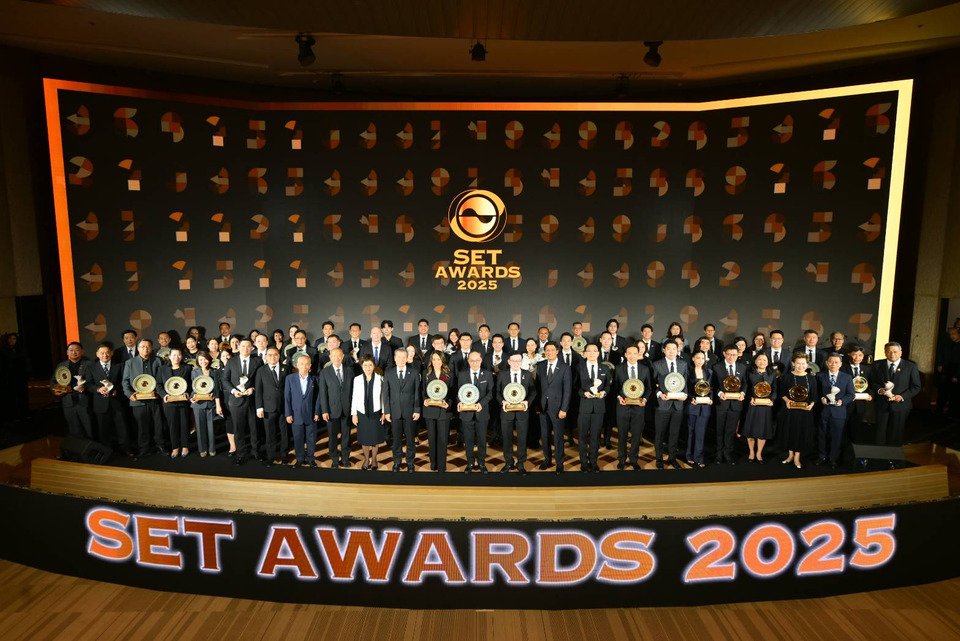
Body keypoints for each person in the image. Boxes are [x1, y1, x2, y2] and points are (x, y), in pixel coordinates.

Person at [869, 341, 921, 467]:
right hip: (882, 404)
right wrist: (879, 390)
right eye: (889, 351)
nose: (892, 354)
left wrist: (902, 396)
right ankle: (878, 458)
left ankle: (894, 459)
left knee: (896, 432)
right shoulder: (877, 365)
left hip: (901, 405)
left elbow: (916, 387)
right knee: (880, 432)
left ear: (900, 353)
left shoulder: (910, 366)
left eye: (895, 352)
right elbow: (872, 382)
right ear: (885, 352)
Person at [121, 338, 165, 457]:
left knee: (158, 424)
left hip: (155, 398)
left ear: (151, 348)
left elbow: (162, 378)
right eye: (143, 346)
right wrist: (130, 394)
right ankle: (144, 448)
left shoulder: (158, 360)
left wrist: (159, 392)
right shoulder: (130, 362)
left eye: (148, 346)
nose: (145, 349)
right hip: (138, 400)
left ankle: (160, 445)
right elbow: (125, 381)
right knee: (141, 425)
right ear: (138, 348)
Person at [223, 338, 262, 465]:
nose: (245, 348)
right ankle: (241, 454)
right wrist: (233, 391)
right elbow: (225, 379)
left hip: (252, 400)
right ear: (239, 347)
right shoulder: (231, 361)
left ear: (252, 348)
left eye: (248, 346)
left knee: (254, 428)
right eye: (243, 346)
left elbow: (259, 379)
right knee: (238, 429)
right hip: (236, 400)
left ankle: (255, 452)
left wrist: (253, 388)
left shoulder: (257, 361)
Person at [497, 352, 537, 475]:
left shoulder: (527, 374)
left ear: (522, 362)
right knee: (507, 438)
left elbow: (533, 391)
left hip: (522, 412)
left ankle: (521, 463)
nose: (516, 363)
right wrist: (502, 402)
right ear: (509, 362)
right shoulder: (502, 375)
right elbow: (497, 392)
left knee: (522, 438)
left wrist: (527, 402)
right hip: (506, 411)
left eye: (518, 360)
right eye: (513, 361)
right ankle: (508, 462)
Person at [383, 348, 422, 472]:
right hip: (394, 411)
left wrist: (417, 409)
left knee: (410, 439)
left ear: (407, 358)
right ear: (395, 359)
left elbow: (417, 393)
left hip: (410, 411)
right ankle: (397, 461)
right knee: (396, 440)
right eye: (398, 357)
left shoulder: (414, 372)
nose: (401, 359)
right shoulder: (388, 373)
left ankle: (410, 462)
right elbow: (386, 394)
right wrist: (387, 411)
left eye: (403, 357)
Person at [614, 344, 652, 470]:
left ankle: (634, 459)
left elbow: (649, 388)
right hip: (623, 406)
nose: (632, 356)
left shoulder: (645, 369)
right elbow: (615, 387)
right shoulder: (619, 368)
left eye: (634, 353)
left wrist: (644, 399)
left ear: (638, 355)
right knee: (622, 434)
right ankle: (622, 459)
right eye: (629, 353)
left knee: (636, 434)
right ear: (625, 355)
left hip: (638, 406)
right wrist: (619, 397)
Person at [90, 343, 132, 455]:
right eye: (102, 353)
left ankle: (126, 448)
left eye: (107, 352)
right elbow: (88, 384)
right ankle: (105, 451)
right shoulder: (92, 367)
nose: (105, 355)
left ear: (112, 353)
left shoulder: (119, 366)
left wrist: (116, 390)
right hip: (100, 403)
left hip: (116, 401)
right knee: (103, 428)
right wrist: (98, 389)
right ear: (97, 354)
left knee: (122, 426)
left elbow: (124, 382)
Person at [652, 340, 688, 469]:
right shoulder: (657, 365)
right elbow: (652, 384)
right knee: (660, 434)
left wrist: (685, 395)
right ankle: (659, 459)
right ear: (664, 350)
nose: (671, 351)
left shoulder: (683, 364)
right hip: (663, 404)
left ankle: (672, 458)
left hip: (678, 405)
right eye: (668, 349)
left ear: (678, 350)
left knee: (674, 433)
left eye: (674, 349)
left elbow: (685, 382)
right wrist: (659, 394)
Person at [779, 353, 819, 469]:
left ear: (807, 364)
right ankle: (790, 455)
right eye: (798, 363)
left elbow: (814, 395)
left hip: (804, 411)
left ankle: (797, 457)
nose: (801, 366)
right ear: (793, 363)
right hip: (790, 410)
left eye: (803, 363)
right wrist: (787, 401)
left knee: (800, 433)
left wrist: (811, 405)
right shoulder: (787, 377)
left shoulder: (811, 378)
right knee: (790, 431)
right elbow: (782, 392)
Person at [537, 341, 572, 473]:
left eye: (552, 350)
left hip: (558, 408)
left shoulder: (565, 367)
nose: (550, 352)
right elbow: (538, 387)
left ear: (557, 351)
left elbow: (567, 391)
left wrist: (564, 409)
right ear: (545, 352)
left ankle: (559, 462)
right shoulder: (541, 365)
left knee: (558, 437)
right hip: (543, 407)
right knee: (545, 436)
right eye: (547, 350)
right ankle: (547, 460)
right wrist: (537, 406)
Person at [317, 347, 354, 468]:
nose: (336, 358)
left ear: (343, 357)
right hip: (331, 410)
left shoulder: (350, 371)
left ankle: (345, 457)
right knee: (332, 436)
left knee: (346, 436)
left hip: (347, 409)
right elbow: (323, 393)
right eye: (334, 356)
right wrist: (324, 410)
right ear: (330, 357)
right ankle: (334, 459)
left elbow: (353, 391)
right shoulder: (324, 372)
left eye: (339, 355)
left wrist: (353, 409)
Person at [816, 353, 855, 468]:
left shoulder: (847, 377)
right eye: (831, 362)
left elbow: (851, 394)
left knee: (837, 435)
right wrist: (821, 398)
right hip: (823, 410)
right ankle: (822, 456)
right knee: (821, 434)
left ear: (840, 364)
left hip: (839, 411)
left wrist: (842, 401)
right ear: (827, 363)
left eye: (836, 362)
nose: (833, 364)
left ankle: (833, 458)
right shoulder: (819, 376)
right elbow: (815, 392)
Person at [458, 351, 493, 473]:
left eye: (477, 360)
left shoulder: (487, 374)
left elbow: (490, 393)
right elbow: (459, 392)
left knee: (482, 439)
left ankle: (482, 463)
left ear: (481, 360)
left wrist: (481, 404)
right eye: (472, 360)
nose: (475, 363)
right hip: (466, 413)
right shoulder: (462, 375)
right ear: (468, 361)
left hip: (481, 413)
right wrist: (459, 402)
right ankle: (470, 463)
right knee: (468, 440)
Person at [576, 343, 610, 472]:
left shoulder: (605, 368)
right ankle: (584, 462)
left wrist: (604, 392)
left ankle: (594, 461)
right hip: (584, 406)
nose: (591, 353)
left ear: (598, 353)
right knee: (582, 436)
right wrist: (583, 393)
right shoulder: (579, 367)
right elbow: (575, 386)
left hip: (599, 407)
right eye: (589, 351)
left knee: (595, 436)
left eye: (594, 351)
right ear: (585, 353)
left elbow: (608, 386)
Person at [712, 345, 748, 465]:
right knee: (719, 429)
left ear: (738, 355)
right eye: (729, 354)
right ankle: (718, 454)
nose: (731, 357)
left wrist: (742, 393)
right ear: (724, 354)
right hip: (721, 403)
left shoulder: (743, 367)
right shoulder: (716, 367)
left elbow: (745, 384)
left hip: (736, 404)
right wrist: (719, 393)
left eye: (734, 355)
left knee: (730, 430)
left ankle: (728, 453)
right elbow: (713, 385)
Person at [51, 341, 94, 438]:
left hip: (85, 401)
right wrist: (54, 390)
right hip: (68, 402)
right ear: (67, 352)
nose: (74, 352)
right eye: (71, 350)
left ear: (82, 351)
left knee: (90, 430)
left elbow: (94, 381)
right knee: (73, 430)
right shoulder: (61, 365)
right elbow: (53, 381)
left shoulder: (89, 364)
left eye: (77, 350)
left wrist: (85, 387)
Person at [741, 352, 777, 464]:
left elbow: (775, 389)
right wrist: (749, 398)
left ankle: (759, 453)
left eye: (765, 360)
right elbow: (746, 387)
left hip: (766, 406)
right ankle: (751, 452)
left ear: (768, 362)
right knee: (750, 430)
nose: (762, 362)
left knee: (763, 431)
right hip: (752, 405)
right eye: (759, 359)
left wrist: (772, 400)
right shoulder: (750, 373)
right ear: (755, 361)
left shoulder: (772, 374)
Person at [351, 354, 386, 470]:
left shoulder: (380, 379)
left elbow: (383, 397)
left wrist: (384, 412)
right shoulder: (357, 380)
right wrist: (354, 414)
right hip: (362, 412)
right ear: (361, 366)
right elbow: (354, 397)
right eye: (365, 365)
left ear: (374, 366)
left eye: (370, 365)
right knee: (364, 439)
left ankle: (374, 460)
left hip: (376, 412)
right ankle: (366, 460)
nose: (368, 368)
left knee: (375, 439)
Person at [284, 353, 318, 468]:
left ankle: (310, 458)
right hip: (295, 414)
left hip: (311, 414)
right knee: (298, 437)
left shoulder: (314, 379)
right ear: (297, 365)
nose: (304, 366)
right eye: (302, 364)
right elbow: (287, 398)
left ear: (310, 366)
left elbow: (318, 398)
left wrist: (317, 412)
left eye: (307, 364)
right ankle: (299, 459)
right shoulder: (290, 378)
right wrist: (288, 413)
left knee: (311, 438)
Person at [255, 347, 288, 467]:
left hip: (284, 407)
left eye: (275, 355)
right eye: (270, 355)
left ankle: (284, 456)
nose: (273, 357)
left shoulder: (286, 368)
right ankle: (271, 456)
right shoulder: (261, 370)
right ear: (266, 357)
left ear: (279, 356)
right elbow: (258, 390)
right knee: (270, 434)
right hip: (268, 407)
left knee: (285, 433)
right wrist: (259, 407)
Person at [422, 351, 454, 472]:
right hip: (430, 410)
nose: (436, 362)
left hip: (443, 411)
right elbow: (422, 390)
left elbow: (453, 391)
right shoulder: (426, 373)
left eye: (438, 359)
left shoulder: (449, 374)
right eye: (434, 359)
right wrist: (425, 400)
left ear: (442, 361)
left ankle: (441, 466)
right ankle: (433, 464)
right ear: (431, 361)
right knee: (432, 439)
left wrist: (448, 403)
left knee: (442, 439)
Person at [158, 348, 192, 457]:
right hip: (169, 402)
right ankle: (175, 447)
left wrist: (188, 393)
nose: (176, 357)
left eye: (178, 355)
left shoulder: (187, 368)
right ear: (169, 356)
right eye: (174, 355)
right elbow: (158, 384)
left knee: (184, 424)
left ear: (182, 356)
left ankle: (185, 446)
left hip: (183, 401)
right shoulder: (162, 369)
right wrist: (164, 395)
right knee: (172, 425)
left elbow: (191, 383)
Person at [190, 351, 222, 457]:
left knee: (211, 428)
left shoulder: (214, 371)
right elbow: (193, 388)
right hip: (198, 403)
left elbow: (217, 389)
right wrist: (192, 398)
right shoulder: (194, 372)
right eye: (200, 360)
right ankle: (202, 449)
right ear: (197, 361)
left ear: (209, 359)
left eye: (205, 359)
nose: (203, 361)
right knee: (200, 428)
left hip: (211, 403)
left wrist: (218, 405)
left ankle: (212, 448)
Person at [685, 351, 713, 468]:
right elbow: (685, 388)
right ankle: (689, 455)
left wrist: (710, 399)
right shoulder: (687, 372)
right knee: (690, 432)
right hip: (692, 406)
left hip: (705, 407)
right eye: (698, 358)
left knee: (701, 433)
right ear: (693, 359)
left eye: (702, 358)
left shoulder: (709, 372)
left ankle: (699, 457)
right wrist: (690, 399)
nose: (700, 360)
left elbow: (711, 388)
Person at [841, 345, 873, 444]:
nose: (857, 358)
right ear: (849, 354)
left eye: (860, 355)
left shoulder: (867, 369)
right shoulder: (842, 368)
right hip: (845, 404)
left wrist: (869, 395)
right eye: (854, 354)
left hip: (860, 404)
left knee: (856, 428)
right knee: (843, 428)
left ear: (863, 356)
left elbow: (870, 384)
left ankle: (854, 446)